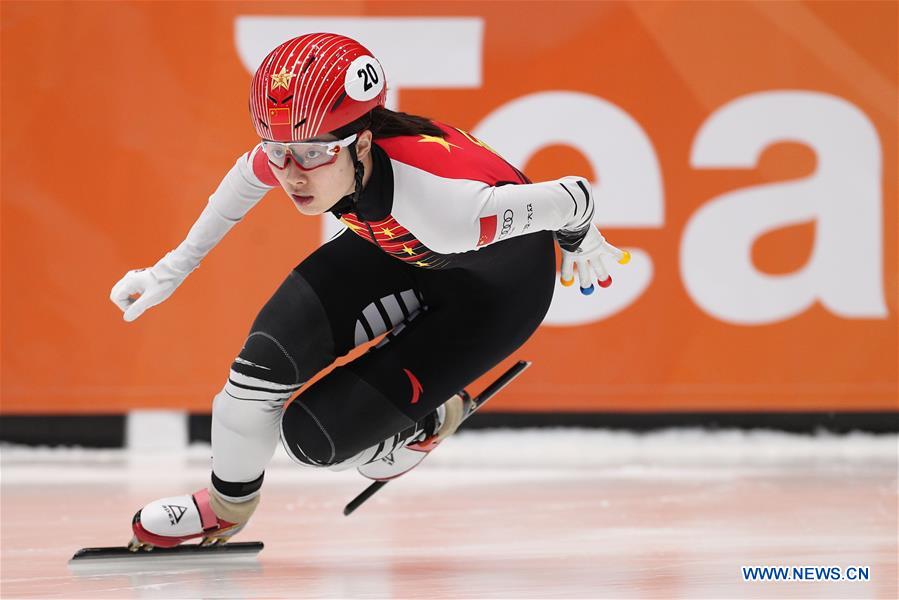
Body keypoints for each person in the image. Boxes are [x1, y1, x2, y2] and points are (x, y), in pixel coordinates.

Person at [110, 33, 628, 549]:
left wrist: (584, 243)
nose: (291, 174)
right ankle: (223, 511)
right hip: (397, 252)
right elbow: (241, 185)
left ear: (360, 142)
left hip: (491, 301)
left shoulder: (443, 208)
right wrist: (166, 273)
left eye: (311, 154)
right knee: (255, 374)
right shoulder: (317, 148)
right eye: (279, 151)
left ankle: (429, 421)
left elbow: (572, 196)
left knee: (320, 442)